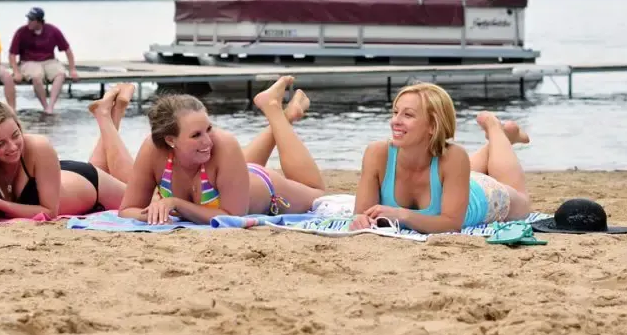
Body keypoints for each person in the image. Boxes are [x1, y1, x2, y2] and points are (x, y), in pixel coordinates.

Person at [118, 75, 327, 225]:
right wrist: (155, 213)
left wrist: (175, 203)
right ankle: (285, 114)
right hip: (231, 174)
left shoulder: (223, 143)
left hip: (266, 187)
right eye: (196, 135)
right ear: (171, 140)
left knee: (318, 194)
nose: (208, 140)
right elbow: (127, 210)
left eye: (209, 128)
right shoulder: (153, 149)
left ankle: (274, 110)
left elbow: (232, 217)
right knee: (226, 160)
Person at [349, 82, 533, 234]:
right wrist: (360, 219)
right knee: (463, 170)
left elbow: (452, 225)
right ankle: (502, 138)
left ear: (432, 125)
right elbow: (361, 214)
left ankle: (494, 127)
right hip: (453, 181)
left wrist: (402, 215)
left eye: (408, 115)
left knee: (523, 203)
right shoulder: (377, 153)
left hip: (484, 195)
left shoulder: (454, 156)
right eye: (395, 112)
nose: (395, 121)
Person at [0, 83, 138, 221]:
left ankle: (108, 114)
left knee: (139, 197)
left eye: (15, 135)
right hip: (60, 178)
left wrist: (1, 205)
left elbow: (49, 212)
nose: (12, 147)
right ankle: (108, 110)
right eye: (0, 144)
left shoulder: (37, 146)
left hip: (92, 185)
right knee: (102, 167)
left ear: (20, 127)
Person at [8, 6, 77, 115]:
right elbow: (12, 54)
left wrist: (72, 69)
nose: (28, 22)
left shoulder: (52, 30)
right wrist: (16, 71)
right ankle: (45, 106)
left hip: (49, 60)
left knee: (60, 74)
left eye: (31, 20)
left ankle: (51, 106)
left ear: (39, 21)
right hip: (28, 61)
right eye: (28, 19)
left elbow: (67, 50)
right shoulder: (21, 32)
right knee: (36, 76)